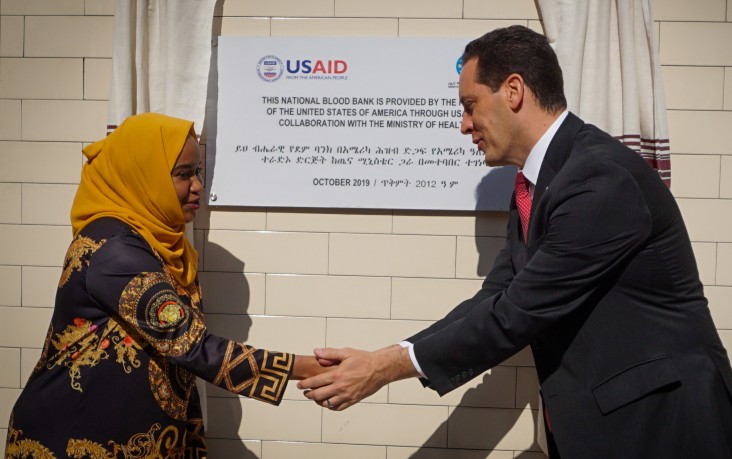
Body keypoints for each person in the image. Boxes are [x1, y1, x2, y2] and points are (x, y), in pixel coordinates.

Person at [298, 25, 732, 458]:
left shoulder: (599, 179)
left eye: (470, 106)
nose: (464, 125)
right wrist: (388, 355)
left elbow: (517, 312)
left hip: (663, 424)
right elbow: (497, 295)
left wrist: (383, 368)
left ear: (513, 90)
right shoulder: (536, 183)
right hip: (607, 424)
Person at [5, 113, 329, 458]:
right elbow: (189, 345)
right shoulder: (114, 251)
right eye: (183, 174)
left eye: (198, 172)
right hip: (73, 438)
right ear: (142, 175)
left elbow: (174, 360)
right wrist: (314, 368)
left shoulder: (157, 245)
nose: (198, 186)